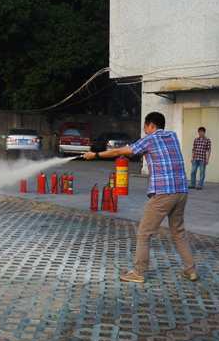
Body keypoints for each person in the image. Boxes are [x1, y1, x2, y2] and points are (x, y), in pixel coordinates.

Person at [82, 112, 199, 283]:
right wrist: (135, 152)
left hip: (163, 194)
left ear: (151, 125)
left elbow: (119, 151)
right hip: (181, 192)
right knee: (179, 232)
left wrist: (95, 155)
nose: (144, 130)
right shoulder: (172, 136)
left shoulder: (149, 139)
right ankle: (191, 270)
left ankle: (139, 273)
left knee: (144, 233)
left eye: (145, 127)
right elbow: (154, 153)